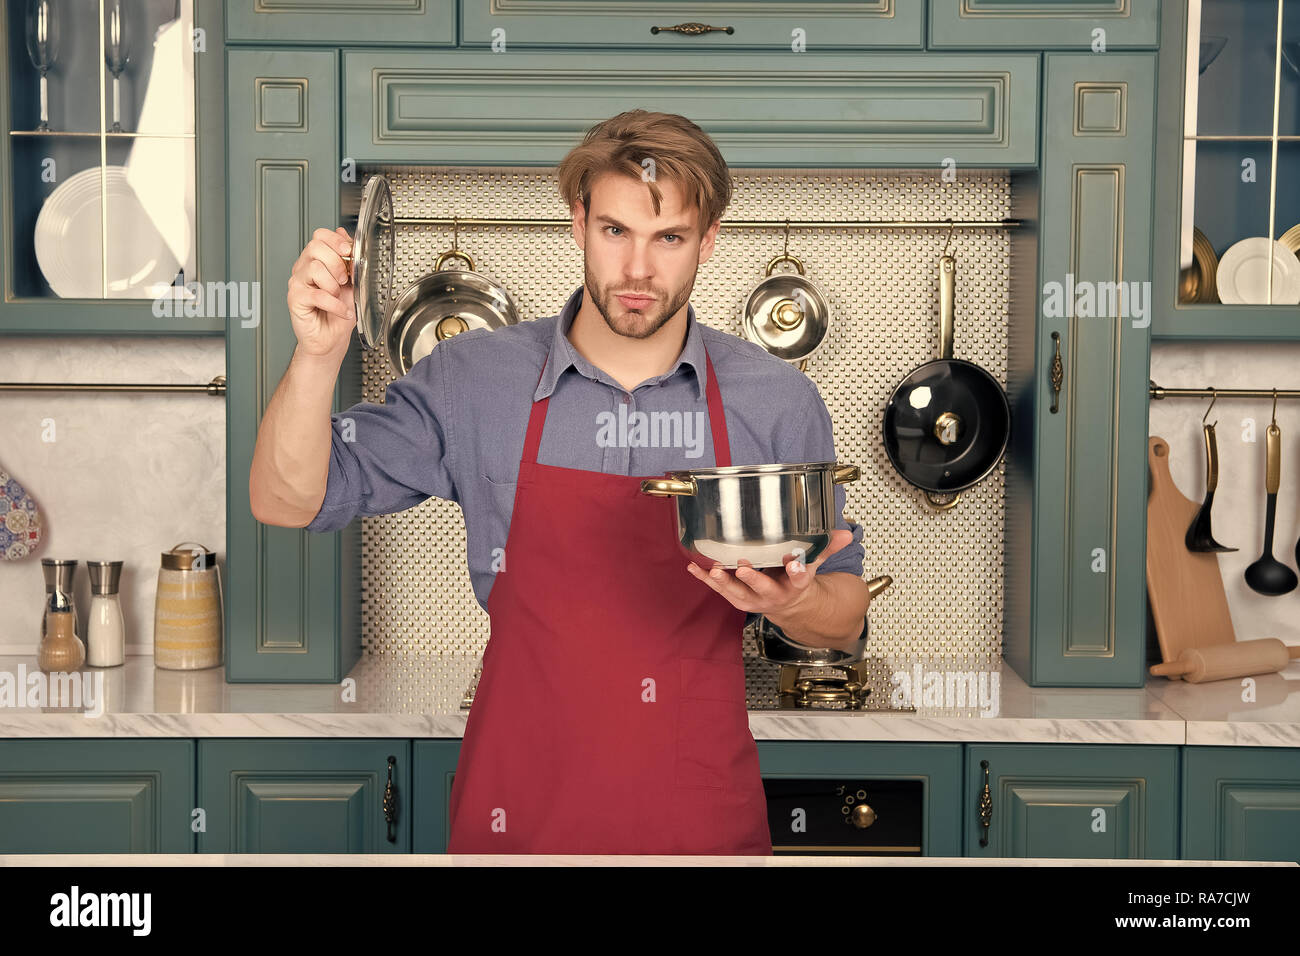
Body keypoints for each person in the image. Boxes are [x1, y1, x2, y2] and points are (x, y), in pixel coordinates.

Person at [249, 109, 875, 856]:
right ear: (578, 222)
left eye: (668, 238)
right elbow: (284, 499)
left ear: (708, 241)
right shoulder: (473, 380)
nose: (638, 271)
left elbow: (844, 618)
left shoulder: (775, 401)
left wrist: (800, 601)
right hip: (517, 815)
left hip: (698, 820)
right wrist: (318, 355)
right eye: (616, 231)